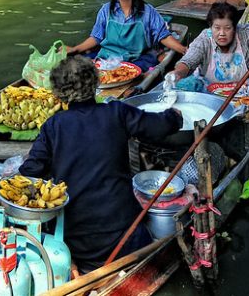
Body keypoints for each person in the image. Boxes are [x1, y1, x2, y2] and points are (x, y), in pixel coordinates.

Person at [19, 56, 182, 274]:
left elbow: (29, 174)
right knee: (145, 234)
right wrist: (174, 116)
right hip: (125, 236)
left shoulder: (53, 126)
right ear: (96, 84)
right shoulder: (116, 112)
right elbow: (158, 126)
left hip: (76, 243)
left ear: (58, 93)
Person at [68, 0, 188, 69]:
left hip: (136, 60)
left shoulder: (148, 11)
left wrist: (184, 50)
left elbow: (164, 36)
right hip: (107, 59)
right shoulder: (106, 10)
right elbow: (96, 37)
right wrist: (75, 49)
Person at [167, 2, 249, 86]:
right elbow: (189, 60)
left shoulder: (245, 34)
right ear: (211, 27)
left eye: (227, 28)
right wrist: (178, 73)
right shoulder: (205, 38)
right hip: (209, 89)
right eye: (217, 28)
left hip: (246, 89)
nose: (222, 33)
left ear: (235, 27)